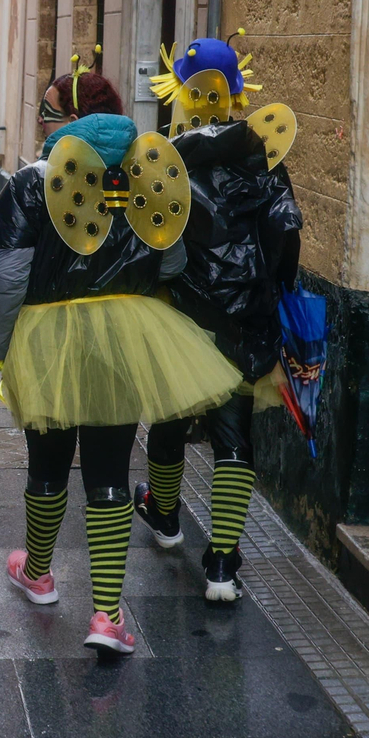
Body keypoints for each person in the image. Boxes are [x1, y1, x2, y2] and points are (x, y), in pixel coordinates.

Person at [0, 64, 241, 655]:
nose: (41, 123)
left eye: (47, 114)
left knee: (48, 460)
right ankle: (105, 615)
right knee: (110, 468)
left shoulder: (31, 182)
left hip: (49, 336)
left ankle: (39, 574)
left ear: (71, 120)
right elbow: (172, 261)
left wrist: (2, 349)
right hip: (129, 333)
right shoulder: (148, 174)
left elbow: (6, 278)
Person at [134, 36, 303, 603]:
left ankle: (164, 515)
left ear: (179, 90)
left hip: (179, 314)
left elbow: (150, 241)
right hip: (244, 316)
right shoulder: (264, 157)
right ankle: (224, 563)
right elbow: (286, 230)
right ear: (236, 93)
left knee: (169, 418)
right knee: (235, 434)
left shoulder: (165, 159)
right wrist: (269, 286)